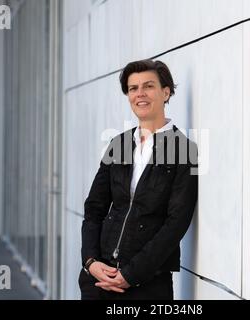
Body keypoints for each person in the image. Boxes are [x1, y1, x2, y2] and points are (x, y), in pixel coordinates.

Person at [79, 59, 198, 300]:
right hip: (99, 281)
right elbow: (94, 209)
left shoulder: (183, 150)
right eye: (133, 88)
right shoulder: (119, 144)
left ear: (166, 92)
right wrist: (90, 261)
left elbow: (176, 223)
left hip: (147, 285)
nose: (139, 94)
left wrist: (131, 275)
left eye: (148, 86)